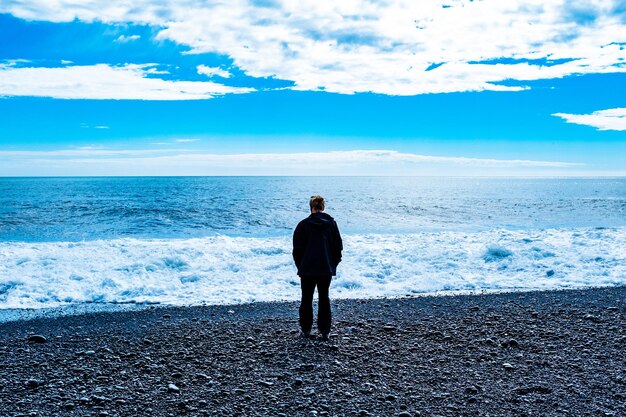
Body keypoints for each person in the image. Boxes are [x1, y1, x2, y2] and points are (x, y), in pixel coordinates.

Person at [292, 195, 343, 341]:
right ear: (323, 207)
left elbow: (297, 249)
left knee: (306, 298)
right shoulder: (331, 224)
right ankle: (325, 331)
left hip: (307, 268)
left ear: (311, 207)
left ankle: (306, 330)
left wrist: (300, 265)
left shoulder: (303, 225)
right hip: (325, 268)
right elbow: (338, 247)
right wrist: (332, 264)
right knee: (324, 298)